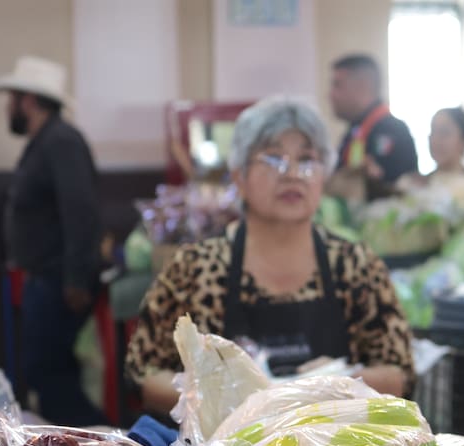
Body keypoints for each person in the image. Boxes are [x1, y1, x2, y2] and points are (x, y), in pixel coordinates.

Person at [125, 99, 414, 414]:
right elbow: (144, 374)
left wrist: (333, 383)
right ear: (239, 176)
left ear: (323, 177)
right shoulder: (195, 267)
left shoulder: (355, 266)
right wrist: (217, 396)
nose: (292, 174)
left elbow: (398, 373)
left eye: (307, 160)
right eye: (274, 159)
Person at [0, 56, 106, 427]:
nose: (8, 107)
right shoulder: (46, 141)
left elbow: (80, 212)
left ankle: (95, 444)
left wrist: (75, 278)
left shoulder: (60, 142)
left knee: (47, 373)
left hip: (59, 280)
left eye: (12, 99)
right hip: (49, 278)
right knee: (48, 372)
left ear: (28, 100)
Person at [327, 54, 418, 199]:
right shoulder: (355, 130)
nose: (331, 94)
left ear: (363, 85)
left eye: (338, 85)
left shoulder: (393, 130)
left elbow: (401, 191)